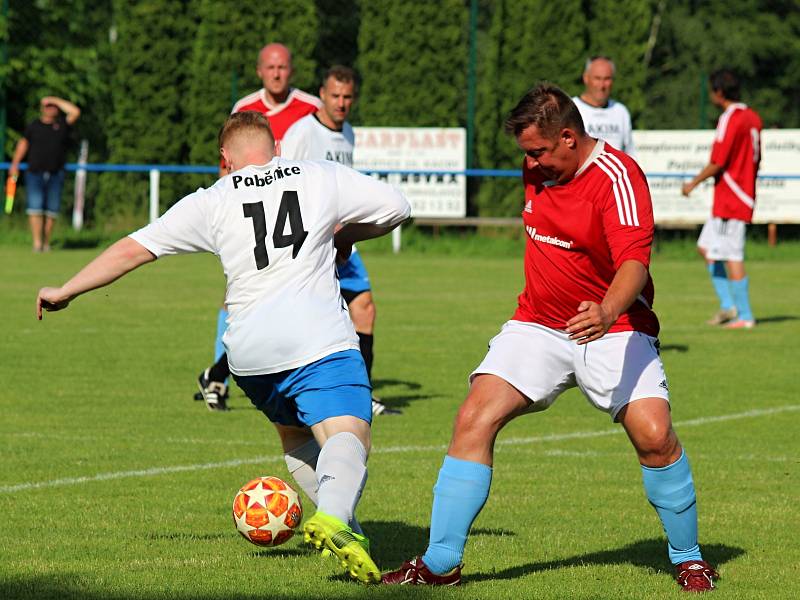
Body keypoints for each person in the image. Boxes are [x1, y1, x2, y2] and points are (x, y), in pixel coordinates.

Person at [37, 111, 411, 584]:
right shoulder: (319, 174)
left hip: (249, 355)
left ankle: (349, 531)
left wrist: (67, 288)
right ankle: (336, 517)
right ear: (277, 149)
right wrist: (345, 234)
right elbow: (397, 206)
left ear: (225, 161)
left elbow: (134, 248)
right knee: (348, 436)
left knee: (296, 437)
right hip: (317, 340)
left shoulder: (212, 199)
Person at [382, 83, 718, 592]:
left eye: (539, 152)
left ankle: (689, 557)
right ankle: (439, 562)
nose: (532, 164)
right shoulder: (537, 165)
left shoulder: (618, 177)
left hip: (614, 326)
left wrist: (606, 310)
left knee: (654, 437)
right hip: (538, 324)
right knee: (474, 417)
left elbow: (634, 262)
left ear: (568, 137)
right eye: (526, 154)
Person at [196, 42, 322, 411]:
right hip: (252, 217)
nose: (277, 73)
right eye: (270, 67)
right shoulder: (244, 109)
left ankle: (225, 376)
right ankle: (222, 375)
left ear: (291, 70)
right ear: (259, 71)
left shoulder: (311, 109)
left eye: (283, 67)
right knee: (239, 294)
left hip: (294, 220)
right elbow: (226, 165)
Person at [281, 65, 400, 416]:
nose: (341, 103)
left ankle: (362, 395)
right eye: (335, 95)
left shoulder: (348, 132)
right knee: (294, 316)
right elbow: (284, 184)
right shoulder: (302, 133)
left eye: (348, 96)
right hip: (310, 241)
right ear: (321, 93)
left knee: (364, 308)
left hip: (342, 240)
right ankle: (220, 373)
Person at [682, 69, 761, 329]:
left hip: (731, 199)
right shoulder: (753, 117)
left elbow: (718, 161)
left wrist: (693, 183)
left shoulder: (731, 118)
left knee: (732, 255)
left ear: (718, 92)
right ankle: (729, 307)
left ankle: (745, 316)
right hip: (736, 195)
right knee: (706, 248)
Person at [9, 95, 81, 252]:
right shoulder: (33, 126)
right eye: (48, 106)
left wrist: (54, 99)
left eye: (53, 106)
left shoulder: (62, 124)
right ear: (42, 109)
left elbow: (75, 111)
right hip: (35, 172)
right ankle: (37, 243)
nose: (51, 108)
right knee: (35, 208)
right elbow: (23, 144)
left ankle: (46, 242)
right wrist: (15, 164)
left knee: (51, 210)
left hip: (56, 173)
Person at [572, 56, 635, 155]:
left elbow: (630, 153)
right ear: (586, 78)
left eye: (607, 79)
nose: (602, 85)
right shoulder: (571, 108)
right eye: (597, 78)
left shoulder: (621, 111)